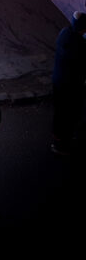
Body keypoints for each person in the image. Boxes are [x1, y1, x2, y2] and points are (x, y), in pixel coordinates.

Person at [51, 11, 86, 155]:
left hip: (58, 80)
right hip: (70, 86)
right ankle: (62, 145)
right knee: (69, 115)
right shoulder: (80, 45)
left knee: (60, 112)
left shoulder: (64, 33)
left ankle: (57, 140)